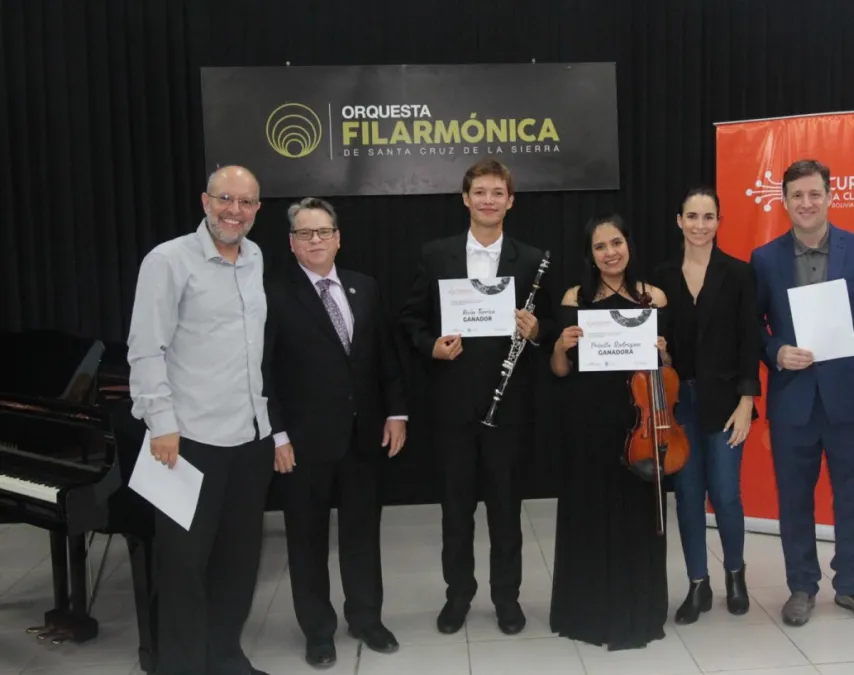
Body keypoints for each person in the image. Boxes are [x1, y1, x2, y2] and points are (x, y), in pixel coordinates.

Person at [397, 158, 555, 636]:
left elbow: (552, 326)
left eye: (497, 192)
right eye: (479, 192)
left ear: (510, 201)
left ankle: (506, 598)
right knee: (455, 511)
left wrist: (537, 330)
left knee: (506, 512)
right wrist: (433, 348)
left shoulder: (531, 260)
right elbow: (409, 321)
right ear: (465, 199)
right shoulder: (435, 254)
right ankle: (458, 595)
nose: (488, 200)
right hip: (453, 410)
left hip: (509, 412)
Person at [127, 165, 273, 675]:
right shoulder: (167, 261)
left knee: (238, 563)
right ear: (205, 201)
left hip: (249, 439)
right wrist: (160, 423)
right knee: (185, 569)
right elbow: (146, 349)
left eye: (246, 202)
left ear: (258, 209)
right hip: (186, 440)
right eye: (225, 199)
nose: (235, 210)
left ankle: (225, 657)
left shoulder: (255, 258)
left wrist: (269, 428)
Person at [751, 159, 854, 627]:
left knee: (853, 497)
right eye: (797, 195)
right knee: (794, 499)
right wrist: (776, 352)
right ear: (785, 202)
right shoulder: (765, 259)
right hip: (793, 400)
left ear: (831, 197)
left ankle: (852, 586)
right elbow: (752, 328)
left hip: (852, 402)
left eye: (815, 194)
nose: (806, 203)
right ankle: (801, 587)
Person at [263, 197, 408, 666]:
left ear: (338, 237)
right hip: (303, 444)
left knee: (363, 533)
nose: (316, 241)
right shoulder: (273, 294)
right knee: (306, 540)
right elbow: (262, 372)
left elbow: (384, 356)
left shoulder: (363, 287)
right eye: (305, 234)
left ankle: (366, 618)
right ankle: (318, 631)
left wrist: (397, 413)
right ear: (291, 243)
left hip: (364, 436)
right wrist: (277, 435)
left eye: (323, 232)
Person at [549, 213, 670, 651]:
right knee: (590, 509)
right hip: (588, 422)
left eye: (616, 242)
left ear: (629, 245)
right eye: (600, 246)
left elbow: (667, 370)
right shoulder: (574, 297)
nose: (610, 252)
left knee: (637, 512)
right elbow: (559, 371)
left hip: (636, 420)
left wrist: (663, 350)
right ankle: (587, 608)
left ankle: (638, 605)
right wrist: (561, 347)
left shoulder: (652, 297)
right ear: (591, 255)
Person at [652, 187, 761, 624]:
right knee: (689, 496)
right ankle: (698, 583)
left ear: (719, 222)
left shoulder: (739, 274)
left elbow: (750, 341)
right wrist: (658, 351)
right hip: (679, 403)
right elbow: (660, 347)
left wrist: (747, 402)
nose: (700, 225)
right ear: (678, 221)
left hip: (726, 402)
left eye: (708, 217)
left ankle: (735, 574)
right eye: (692, 216)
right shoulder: (659, 277)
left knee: (727, 493)